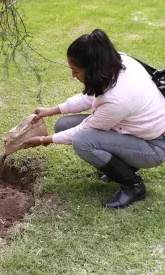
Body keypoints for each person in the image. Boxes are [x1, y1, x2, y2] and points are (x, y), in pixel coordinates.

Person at [23, 29, 165, 209]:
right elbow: (89, 96)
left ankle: (133, 186)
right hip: (133, 131)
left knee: (83, 141)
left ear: (92, 69)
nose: (73, 76)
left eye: (76, 71)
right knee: (63, 125)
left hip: (154, 146)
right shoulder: (117, 63)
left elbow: (83, 131)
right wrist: (51, 111)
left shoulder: (118, 98)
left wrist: (44, 140)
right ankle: (123, 167)